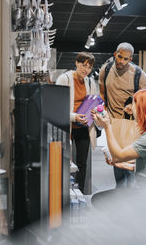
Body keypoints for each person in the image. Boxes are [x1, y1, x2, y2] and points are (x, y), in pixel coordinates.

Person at [93, 88, 146, 203]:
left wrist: (107, 127)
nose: (131, 109)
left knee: (100, 201)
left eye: (133, 105)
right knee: (102, 199)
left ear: (142, 108)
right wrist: (121, 164)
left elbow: (118, 155)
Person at [98, 42, 146, 189]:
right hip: (113, 124)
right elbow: (102, 90)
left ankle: (131, 201)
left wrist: (134, 104)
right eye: (119, 57)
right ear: (115, 54)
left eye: (125, 59)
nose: (121, 61)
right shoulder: (106, 69)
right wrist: (104, 108)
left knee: (130, 167)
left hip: (131, 125)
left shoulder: (139, 74)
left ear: (131, 58)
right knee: (116, 163)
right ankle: (120, 196)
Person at [56, 52, 98, 194]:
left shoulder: (90, 82)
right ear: (76, 63)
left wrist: (95, 113)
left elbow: (94, 104)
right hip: (66, 126)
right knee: (63, 161)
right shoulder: (64, 79)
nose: (85, 69)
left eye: (89, 67)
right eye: (83, 65)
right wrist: (74, 117)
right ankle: (62, 192)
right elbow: (56, 107)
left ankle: (79, 192)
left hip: (83, 127)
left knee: (82, 163)